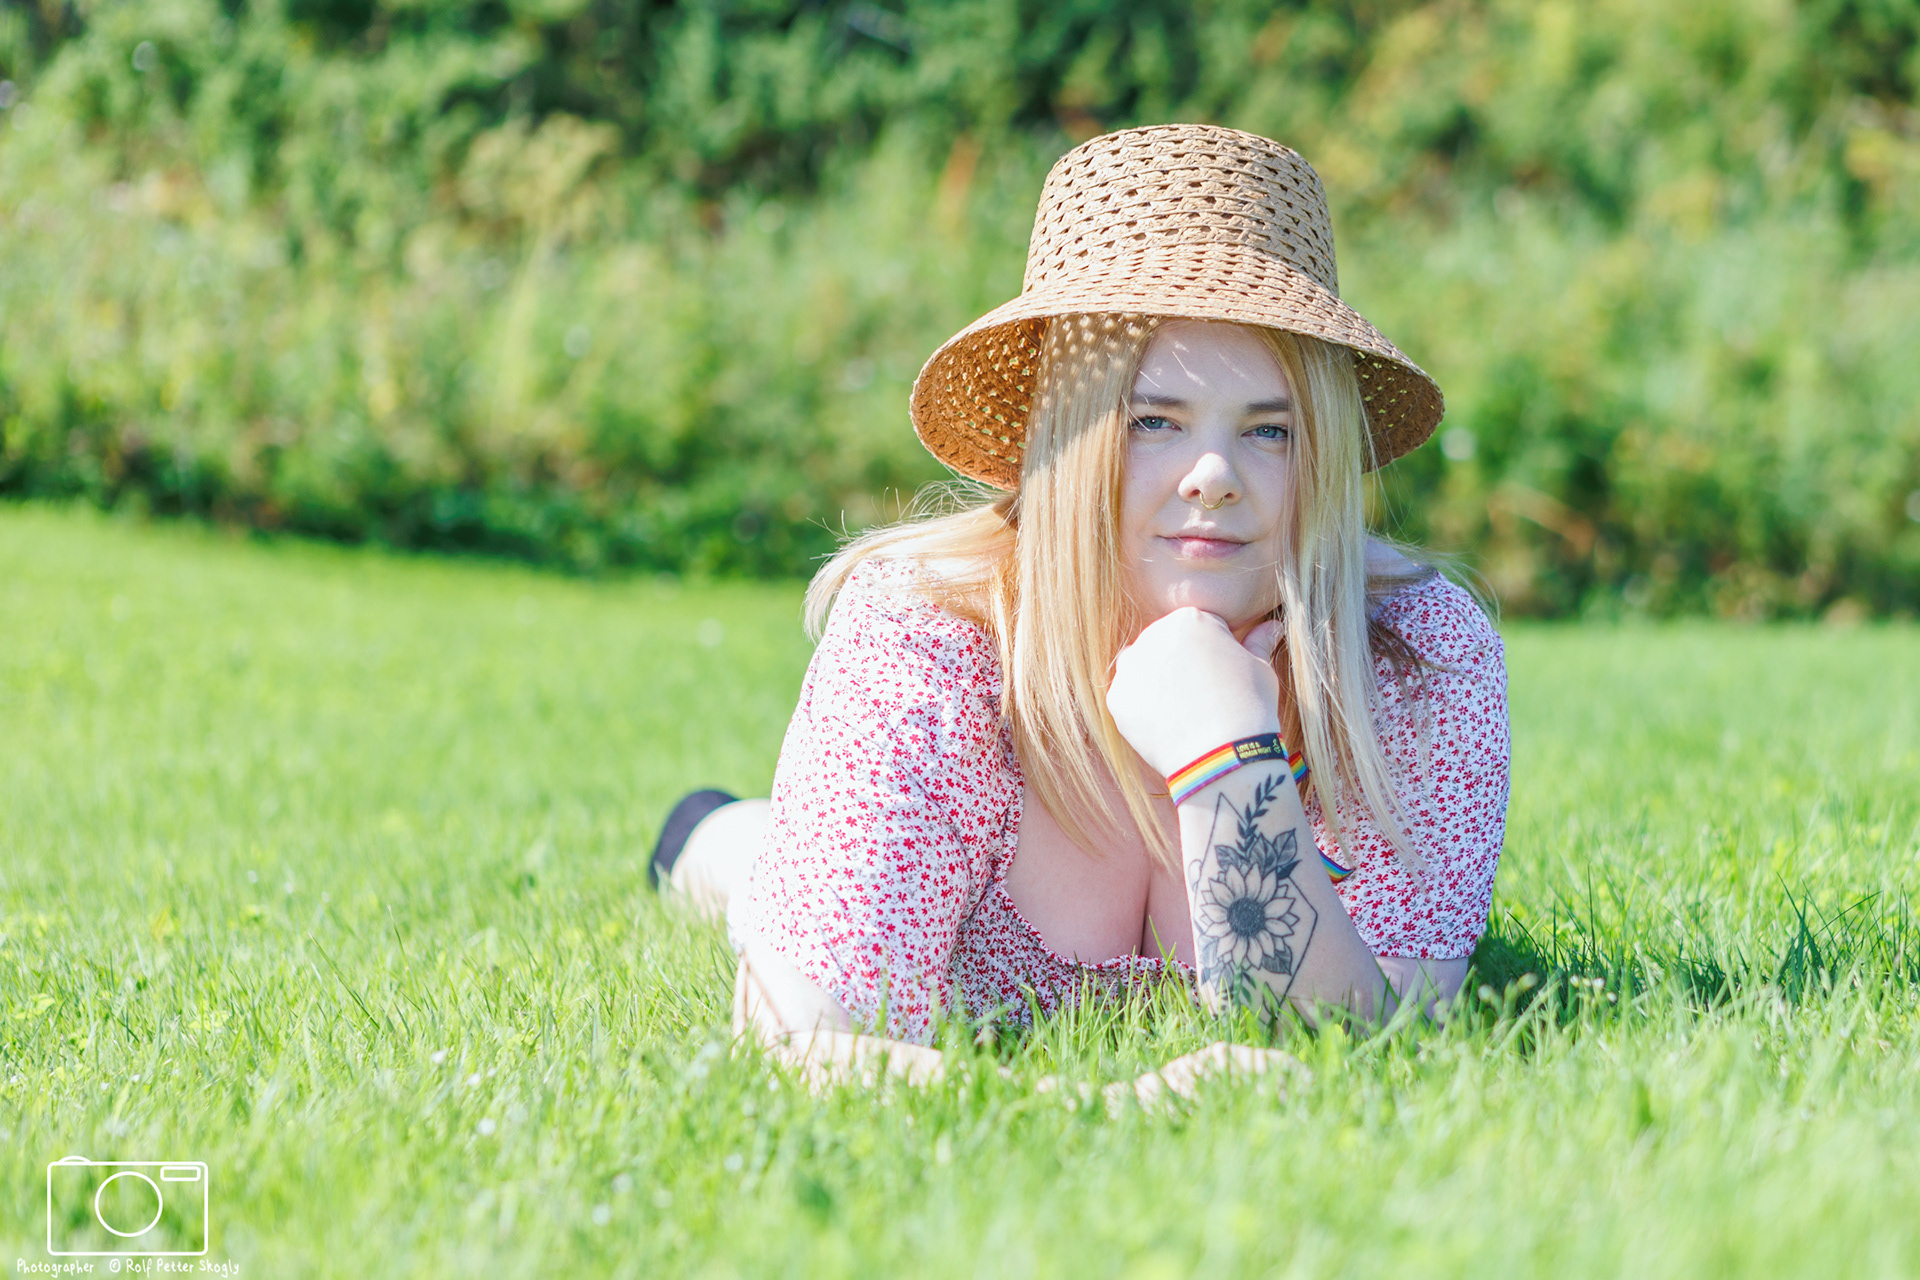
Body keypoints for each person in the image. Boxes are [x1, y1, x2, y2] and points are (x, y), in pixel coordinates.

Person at [652, 124, 1510, 1087]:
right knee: (759, 864)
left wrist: (1227, 758)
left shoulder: (1416, 653)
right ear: (1070, 431)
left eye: (1271, 431)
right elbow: (798, 1044)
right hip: (819, 839)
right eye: (1154, 420)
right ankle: (707, 839)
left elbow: (1382, 1049)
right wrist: (1109, 1110)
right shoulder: (928, 637)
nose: (1215, 476)